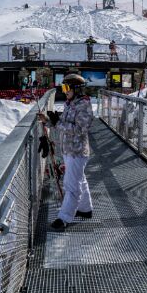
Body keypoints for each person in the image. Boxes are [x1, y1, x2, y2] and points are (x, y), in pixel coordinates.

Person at [46, 74, 93, 230]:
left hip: (77, 151)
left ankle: (64, 218)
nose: (64, 91)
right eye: (63, 87)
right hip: (69, 149)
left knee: (71, 185)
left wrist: (57, 123)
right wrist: (49, 121)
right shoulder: (70, 103)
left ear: (76, 90)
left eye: (67, 88)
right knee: (80, 179)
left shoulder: (83, 105)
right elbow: (65, 124)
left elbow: (80, 129)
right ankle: (86, 209)